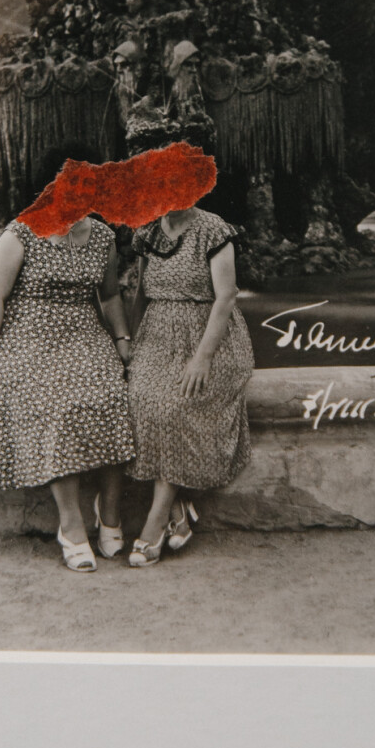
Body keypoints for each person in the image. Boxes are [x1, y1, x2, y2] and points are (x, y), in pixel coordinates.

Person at [0, 152, 134, 573]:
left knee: (117, 397)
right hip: (28, 339)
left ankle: (109, 512)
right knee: (58, 405)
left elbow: (110, 295)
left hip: (85, 337)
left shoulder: (103, 237)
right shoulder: (19, 234)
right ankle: (71, 526)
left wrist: (122, 340)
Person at [126, 203, 254, 566]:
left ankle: (155, 523)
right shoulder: (148, 232)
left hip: (209, 339)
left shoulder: (213, 230)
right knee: (136, 399)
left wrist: (202, 358)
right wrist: (133, 347)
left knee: (174, 407)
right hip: (157, 338)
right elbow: (141, 294)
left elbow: (226, 296)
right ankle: (178, 508)